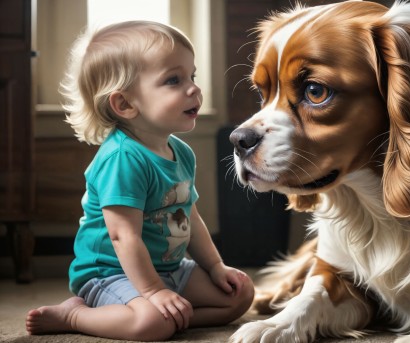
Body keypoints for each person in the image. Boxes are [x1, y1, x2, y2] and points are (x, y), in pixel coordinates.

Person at [25, 21, 254, 341]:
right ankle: (76, 314)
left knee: (240, 293)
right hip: (111, 272)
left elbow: (191, 217)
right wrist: (153, 291)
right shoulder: (121, 159)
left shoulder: (181, 152)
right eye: (174, 80)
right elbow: (124, 237)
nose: (194, 89)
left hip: (170, 268)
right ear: (125, 104)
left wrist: (216, 266)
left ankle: (173, 314)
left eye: (192, 76)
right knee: (152, 326)